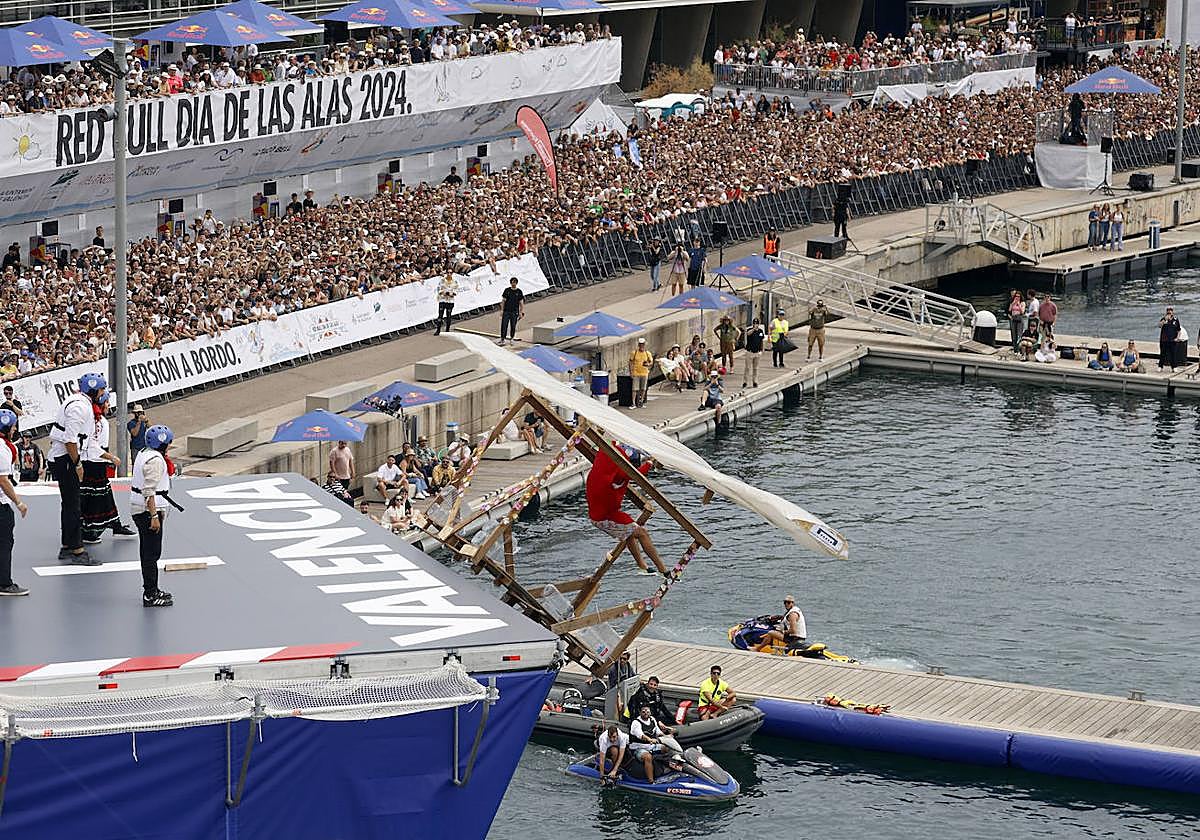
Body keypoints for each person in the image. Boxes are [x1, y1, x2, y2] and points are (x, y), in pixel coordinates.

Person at [48, 371, 107, 566]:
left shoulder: (77, 402)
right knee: (74, 505)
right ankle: (77, 550)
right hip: (66, 459)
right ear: (93, 390)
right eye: (101, 389)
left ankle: (67, 545)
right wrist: (78, 464)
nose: (103, 393)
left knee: (69, 504)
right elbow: (70, 440)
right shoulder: (81, 408)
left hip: (63, 458)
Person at [585, 446, 667, 575]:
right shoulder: (620, 475)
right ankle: (663, 570)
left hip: (603, 514)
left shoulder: (603, 464)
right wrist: (651, 462)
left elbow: (606, 443)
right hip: (605, 517)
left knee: (630, 532)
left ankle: (642, 565)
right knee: (642, 533)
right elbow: (637, 474)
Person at [131, 424, 178, 607]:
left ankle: (152, 589)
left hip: (142, 509)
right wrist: (154, 516)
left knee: (148, 552)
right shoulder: (156, 461)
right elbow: (149, 490)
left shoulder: (144, 453)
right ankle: (150, 593)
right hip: (148, 511)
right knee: (151, 553)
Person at [81, 395, 134, 543]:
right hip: (93, 464)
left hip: (95, 463)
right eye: (107, 402)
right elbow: (93, 448)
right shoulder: (98, 422)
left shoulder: (96, 420)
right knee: (95, 499)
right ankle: (90, 532)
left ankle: (114, 525)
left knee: (103, 496)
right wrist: (111, 457)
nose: (109, 405)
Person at [0, 409, 29, 596]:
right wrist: (18, 503)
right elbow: (3, 480)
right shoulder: (2, 448)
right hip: (0, 506)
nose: (15, 429)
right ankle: (4, 583)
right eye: (13, 426)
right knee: (4, 542)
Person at [629, 705, 673, 783]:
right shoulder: (636, 722)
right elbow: (640, 735)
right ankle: (651, 781)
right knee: (647, 757)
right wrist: (649, 739)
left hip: (651, 746)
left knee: (665, 748)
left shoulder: (652, 719)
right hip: (638, 748)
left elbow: (658, 732)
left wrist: (667, 736)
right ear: (640, 712)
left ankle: (667, 770)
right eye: (643, 711)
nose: (646, 713)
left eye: (647, 711)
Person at [629, 337, 654, 409]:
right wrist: (631, 372)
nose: (641, 346)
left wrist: (648, 364)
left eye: (643, 344)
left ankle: (641, 402)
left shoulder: (647, 353)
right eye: (640, 344)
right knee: (634, 389)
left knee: (643, 388)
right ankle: (633, 403)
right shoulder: (634, 353)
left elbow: (651, 362)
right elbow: (630, 362)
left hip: (644, 373)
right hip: (636, 373)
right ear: (638, 345)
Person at [498, 276, 524, 346]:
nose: (513, 284)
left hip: (514, 312)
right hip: (506, 311)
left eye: (515, 282)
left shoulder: (519, 292)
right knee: (504, 325)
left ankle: (512, 338)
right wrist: (502, 310)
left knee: (513, 326)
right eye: (512, 282)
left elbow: (521, 303)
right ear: (510, 283)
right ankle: (502, 339)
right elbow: (503, 301)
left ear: (516, 283)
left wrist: (521, 312)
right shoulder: (507, 290)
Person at [743, 317, 765, 388]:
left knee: (756, 368)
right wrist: (753, 329)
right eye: (754, 323)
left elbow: (761, 340)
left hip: (757, 352)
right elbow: (748, 334)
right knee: (747, 368)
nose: (756, 324)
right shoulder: (750, 330)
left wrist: (762, 350)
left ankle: (755, 381)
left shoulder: (760, 331)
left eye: (757, 323)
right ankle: (745, 382)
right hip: (750, 352)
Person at [1158, 307, 1181, 371]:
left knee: (1173, 354)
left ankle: (1174, 367)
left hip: (1172, 340)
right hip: (1164, 340)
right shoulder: (1163, 319)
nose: (1169, 312)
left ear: (1172, 312)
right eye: (1168, 310)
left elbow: (1179, 330)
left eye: (1170, 310)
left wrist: (1177, 338)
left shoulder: (1176, 320)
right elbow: (1159, 326)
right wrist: (1165, 319)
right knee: (1162, 354)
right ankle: (1160, 366)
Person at [435, 271, 456, 336]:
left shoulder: (454, 281)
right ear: (446, 273)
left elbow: (456, 290)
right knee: (440, 316)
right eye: (448, 273)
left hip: (450, 301)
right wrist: (444, 293)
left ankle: (447, 330)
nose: (449, 274)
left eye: (450, 273)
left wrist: (452, 294)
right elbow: (438, 289)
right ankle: (438, 330)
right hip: (442, 300)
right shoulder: (442, 280)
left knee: (449, 315)